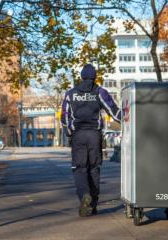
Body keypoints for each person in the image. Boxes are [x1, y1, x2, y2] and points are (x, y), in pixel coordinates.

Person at [61, 64, 121, 217]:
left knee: (80, 169)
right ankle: (93, 205)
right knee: (94, 169)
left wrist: (70, 134)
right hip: (94, 135)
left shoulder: (71, 94)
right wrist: (130, 118)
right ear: (95, 77)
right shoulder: (100, 92)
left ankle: (84, 196)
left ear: (81, 76)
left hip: (78, 135)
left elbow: (65, 117)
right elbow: (114, 112)